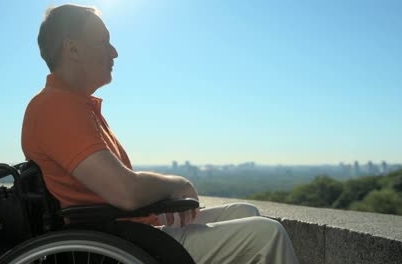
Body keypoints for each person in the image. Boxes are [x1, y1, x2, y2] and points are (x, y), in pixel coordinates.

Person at [21, 4, 299, 263]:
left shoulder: (73, 105)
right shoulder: (56, 107)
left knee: (244, 212)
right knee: (266, 234)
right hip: (118, 244)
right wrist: (177, 184)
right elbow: (125, 192)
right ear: (73, 50)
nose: (114, 52)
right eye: (104, 42)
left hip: (125, 230)